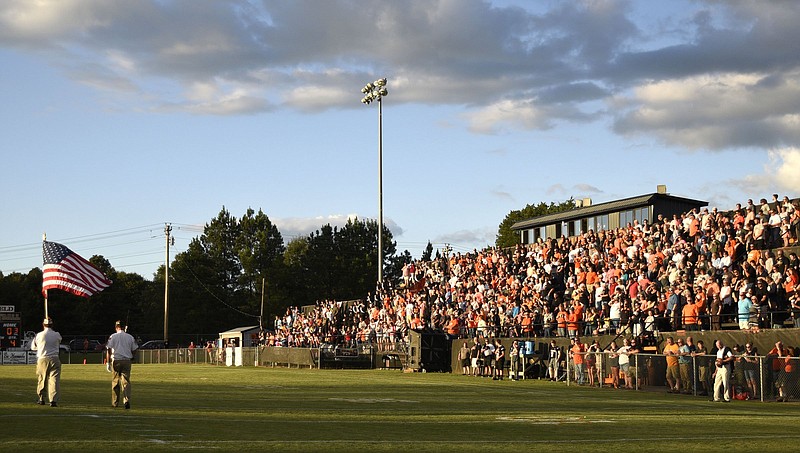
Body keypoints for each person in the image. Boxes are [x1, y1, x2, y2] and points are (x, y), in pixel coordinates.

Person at [106, 320, 138, 409]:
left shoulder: (113, 336)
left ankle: (115, 402)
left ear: (116, 327)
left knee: (115, 382)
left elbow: (108, 349)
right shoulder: (130, 337)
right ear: (124, 327)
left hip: (116, 360)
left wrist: (108, 362)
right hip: (127, 361)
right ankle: (126, 400)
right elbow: (135, 348)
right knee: (126, 381)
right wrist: (132, 356)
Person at [30, 317, 61, 407]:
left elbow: (33, 347)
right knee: (54, 380)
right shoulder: (57, 334)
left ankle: (42, 399)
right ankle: (53, 400)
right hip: (55, 358)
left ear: (43, 324)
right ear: (52, 325)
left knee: (42, 379)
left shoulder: (39, 335)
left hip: (43, 358)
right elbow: (59, 341)